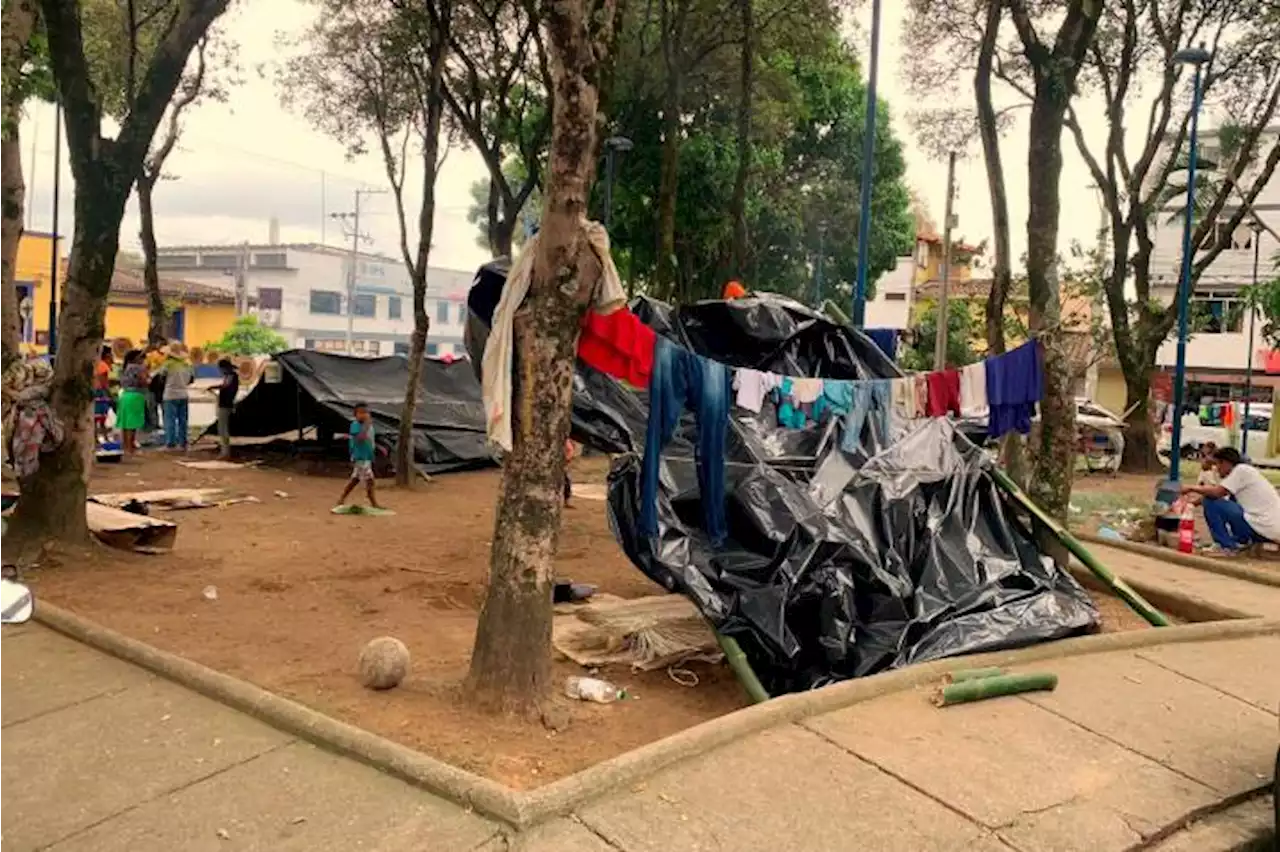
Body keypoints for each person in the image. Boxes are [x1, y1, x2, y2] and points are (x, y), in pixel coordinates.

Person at [1181, 446, 1280, 556]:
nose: (1217, 469)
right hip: (1270, 531)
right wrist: (1192, 504)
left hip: (1261, 528)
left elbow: (1216, 493)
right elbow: (1221, 497)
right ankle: (1242, 542)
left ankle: (1226, 546)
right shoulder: (1246, 473)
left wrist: (1191, 488)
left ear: (1226, 463)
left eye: (1218, 464)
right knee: (1224, 501)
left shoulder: (1241, 471)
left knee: (1210, 502)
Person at [336, 403, 380, 510]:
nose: (363, 415)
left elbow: (369, 440)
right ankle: (373, 502)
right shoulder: (355, 425)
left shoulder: (369, 426)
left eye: (365, 412)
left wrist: (377, 448)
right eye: (361, 413)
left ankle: (342, 498)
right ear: (355, 415)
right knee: (370, 480)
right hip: (360, 457)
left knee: (355, 479)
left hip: (366, 456)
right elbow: (360, 438)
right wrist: (366, 425)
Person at [158, 343, 194, 451]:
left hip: (170, 395)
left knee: (170, 420)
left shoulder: (167, 364)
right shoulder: (187, 365)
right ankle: (183, 443)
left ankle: (170, 443)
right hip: (183, 394)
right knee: (183, 420)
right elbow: (192, 380)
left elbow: (161, 378)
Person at [116, 350, 148, 456]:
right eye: (142, 358)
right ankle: (131, 448)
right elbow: (143, 381)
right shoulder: (138, 368)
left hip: (124, 395)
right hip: (135, 395)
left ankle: (125, 447)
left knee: (125, 423)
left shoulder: (125, 367)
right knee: (132, 424)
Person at [215, 358, 239, 460]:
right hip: (226, 404)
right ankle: (225, 451)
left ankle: (225, 452)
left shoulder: (231, 376)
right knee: (222, 428)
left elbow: (225, 387)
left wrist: (215, 387)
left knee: (223, 429)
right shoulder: (230, 376)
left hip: (226, 405)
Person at [93, 346, 114, 443]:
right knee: (102, 418)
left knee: (95, 418)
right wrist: (109, 395)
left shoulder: (95, 364)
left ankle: (96, 438)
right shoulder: (103, 366)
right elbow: (104, 382)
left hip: (94, 392)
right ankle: (104, 437)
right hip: (100, 393)